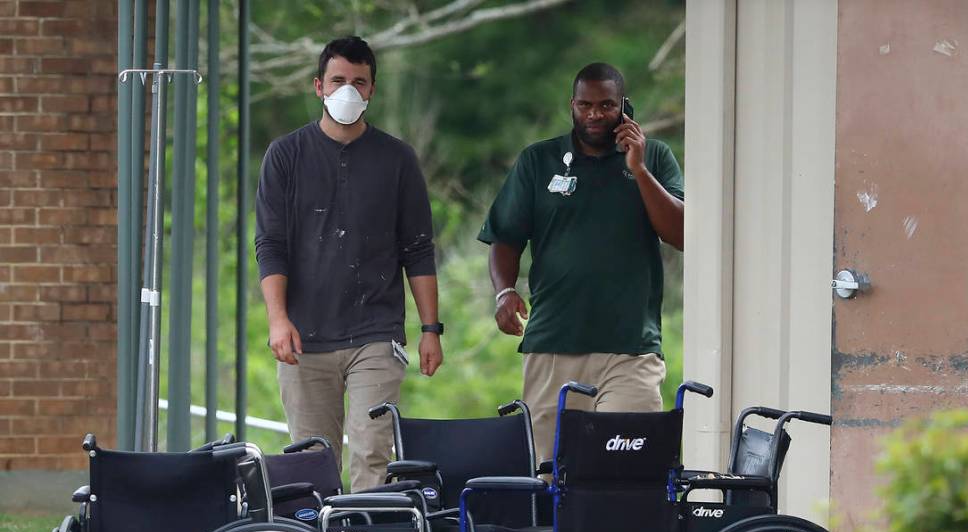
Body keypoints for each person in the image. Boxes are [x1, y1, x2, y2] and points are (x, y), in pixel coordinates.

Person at [255, 36, 444, 491]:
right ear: (318, 86)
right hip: (305, 334)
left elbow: (417, 247)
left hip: (375, 334)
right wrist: (278, 320)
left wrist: (430, 329)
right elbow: (271, 244)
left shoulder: (397, 158)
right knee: (312, 462)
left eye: (359, 82)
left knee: (372, 453)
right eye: (339, 80)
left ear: (372, 90)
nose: (348, 91)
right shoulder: (285, 156)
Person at [478, 62, 684, 463]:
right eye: (585, 105)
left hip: (630, 350)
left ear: (624, 107)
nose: (594, 115)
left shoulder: (654, 157)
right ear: (571, 105)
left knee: (627, 474)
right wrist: (504, 291)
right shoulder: (538, 161)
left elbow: (680, 233)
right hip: (554, 346)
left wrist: (638, 169)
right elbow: (505, 236)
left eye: (606, 106)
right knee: (554, 477)